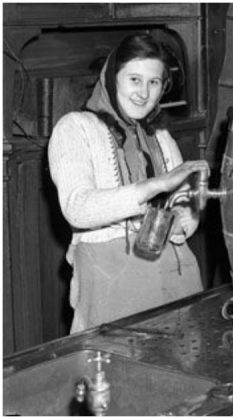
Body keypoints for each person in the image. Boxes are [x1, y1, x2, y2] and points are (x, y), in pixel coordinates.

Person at [48, 34, 210, 333]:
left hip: (176, 277)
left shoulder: (160, 137)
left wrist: (187, 219)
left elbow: (185, 208)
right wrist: (154, 186)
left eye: (154, 82)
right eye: (134, 79)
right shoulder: (75, 128)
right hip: (112, 281)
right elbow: (77, 207)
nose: (144, 92)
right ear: (112, 78)